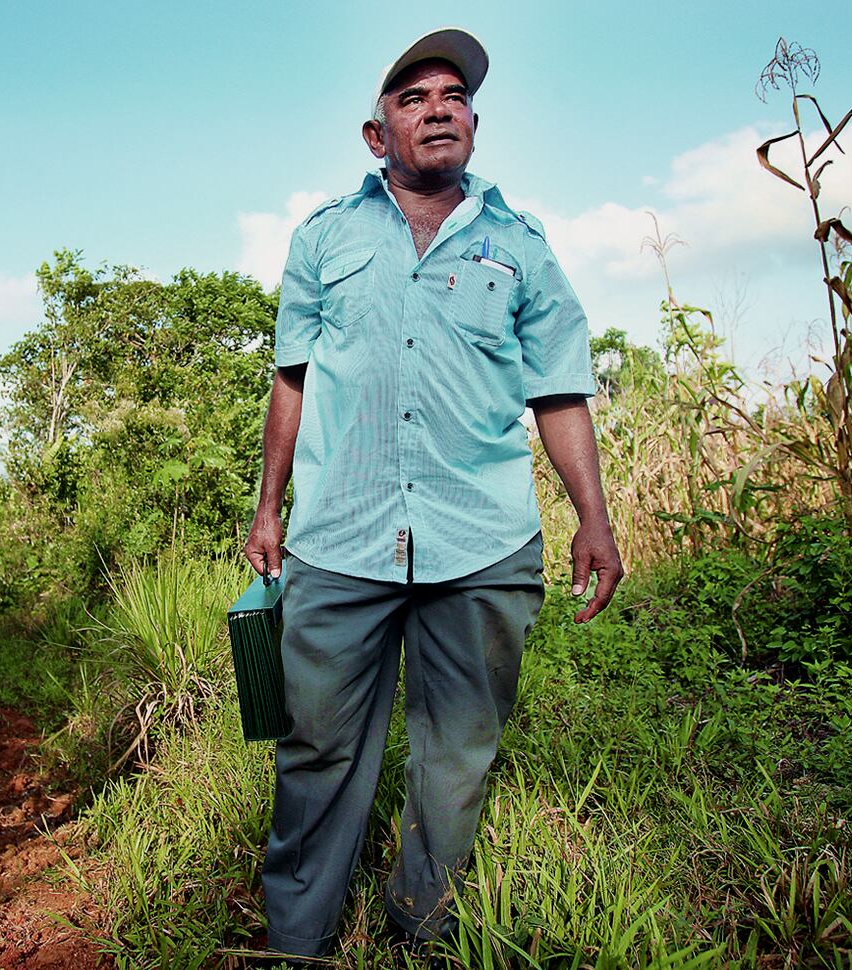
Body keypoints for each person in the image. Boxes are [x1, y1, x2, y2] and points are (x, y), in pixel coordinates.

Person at [241, 27, 625, 957]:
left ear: (474, 123)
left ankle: (422, 932)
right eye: (412, 99)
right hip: (338, 537)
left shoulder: (520, 246)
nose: (437, 107)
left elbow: (559, 390)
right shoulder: (324, 236)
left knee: (455, 758)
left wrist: (594, 518)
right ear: (377, 138)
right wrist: (268, 506)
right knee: (317, 749)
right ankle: (296, 940)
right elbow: (290, 377)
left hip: (480, 540)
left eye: (451, 95)